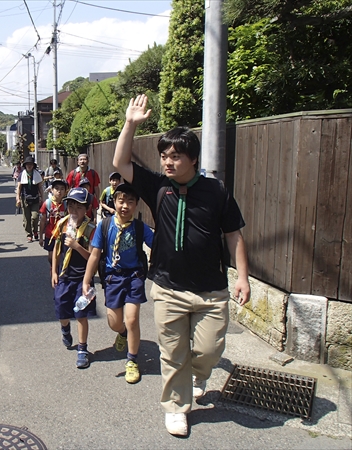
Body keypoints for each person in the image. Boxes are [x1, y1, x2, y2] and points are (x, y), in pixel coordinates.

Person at [113, 94, 251, 436]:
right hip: (167, 288)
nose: (168, 162)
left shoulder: (216, 192)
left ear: (192, 159)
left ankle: (196, 377)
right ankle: (176, 407)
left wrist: (243, 278)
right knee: (173, 353)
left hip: (210, 290)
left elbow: (234, 235)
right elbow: (120, 162)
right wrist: (130, 123)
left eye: (175, 156)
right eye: (164, 156)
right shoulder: (158, 187)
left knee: (208, 349)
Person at [83, 183, 154, 384]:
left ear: (136, 205)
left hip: (134, 277)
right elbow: (95, 255)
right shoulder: (105, 226)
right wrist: (86, 281)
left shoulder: (140, 228)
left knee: (131, 320)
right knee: (114, 322)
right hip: (113, 278)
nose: (125, 206)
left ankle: (132, 360)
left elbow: (157, 244)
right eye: (121, 201)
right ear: (114, 202)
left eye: (130, 202)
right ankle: (122, 333)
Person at [50, 187, 97, 369]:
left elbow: (92, 257)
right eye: (71, 206)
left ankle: (83, 349)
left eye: (78, 207)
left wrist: (77, 246)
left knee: (81, 314)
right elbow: (56, 249)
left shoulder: (91, 229)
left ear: (86, 209)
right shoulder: (63, 224)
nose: (74, 211)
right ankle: (65, 329)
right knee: (62, 310)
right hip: (64, 276)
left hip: (83, 279)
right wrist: (54, 271)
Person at [39, 179, 68, 265]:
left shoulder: (67, 204)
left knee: (63, 257)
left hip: (63, 234)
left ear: (66, 191)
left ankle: (59, 275)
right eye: (57, 188)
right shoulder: (47, 203)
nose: (59, 191)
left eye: (62, 189)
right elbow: (43, 221)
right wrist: (41, 237)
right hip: (50, 235)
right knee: (51, 257)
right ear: (52, 190)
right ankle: (53, 271)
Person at [16, 156, 44, 242]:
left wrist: (42, 198)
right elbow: (19, 187)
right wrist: (18, 198)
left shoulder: (37, 174)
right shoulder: (22, 174)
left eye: (31, 164)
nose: (29, 166)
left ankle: (35, 231)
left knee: (35, 217)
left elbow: (40, 187)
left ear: (33, 165)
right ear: (25, 165)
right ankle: (29, 234)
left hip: (35, 198)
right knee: (27, 218)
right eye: (27, 164)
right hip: (25, 198)